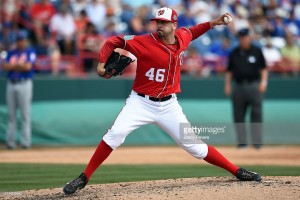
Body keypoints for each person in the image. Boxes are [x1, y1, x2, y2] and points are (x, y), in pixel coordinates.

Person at [63, 7, 262, 195]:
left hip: (169, 105)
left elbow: (194, 31)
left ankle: (237, 171)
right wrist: (100, 65)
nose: (159, 25)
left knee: (195, 147)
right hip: (141, 103)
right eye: (157, 21)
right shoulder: (143, 41)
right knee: (116, 134)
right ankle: (84, 177)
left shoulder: (182, 36)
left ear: (174, 25)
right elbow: (112, 41)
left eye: (164, 22)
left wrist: (214, 22)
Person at [224, 28, 268, 149]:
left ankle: (257, 143)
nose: (243, 39)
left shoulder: (257, 51)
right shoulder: (234, 52)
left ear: (249, 38)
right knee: (238, 115)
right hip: (238, 86)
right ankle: (242, 143)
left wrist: (263, 82)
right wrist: (227, 85)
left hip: (253, 85)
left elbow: (264, 68)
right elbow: (229, 71)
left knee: (256, 114)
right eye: (241, 38)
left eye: (245, 37)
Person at [2, 32, 36, 149]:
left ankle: (25, 142)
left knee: (24, 114)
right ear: (16, 41)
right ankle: (10, 142)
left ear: (25, 40)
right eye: (19, 40)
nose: (21, 42)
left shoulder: (30, 51)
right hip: (11, 83)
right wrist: (19, 65)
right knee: (11, 115)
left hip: (24, 83)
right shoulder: (11, 52)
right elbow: (5, 66)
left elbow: (28, 67)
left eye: (22, 39)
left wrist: (14, 65)